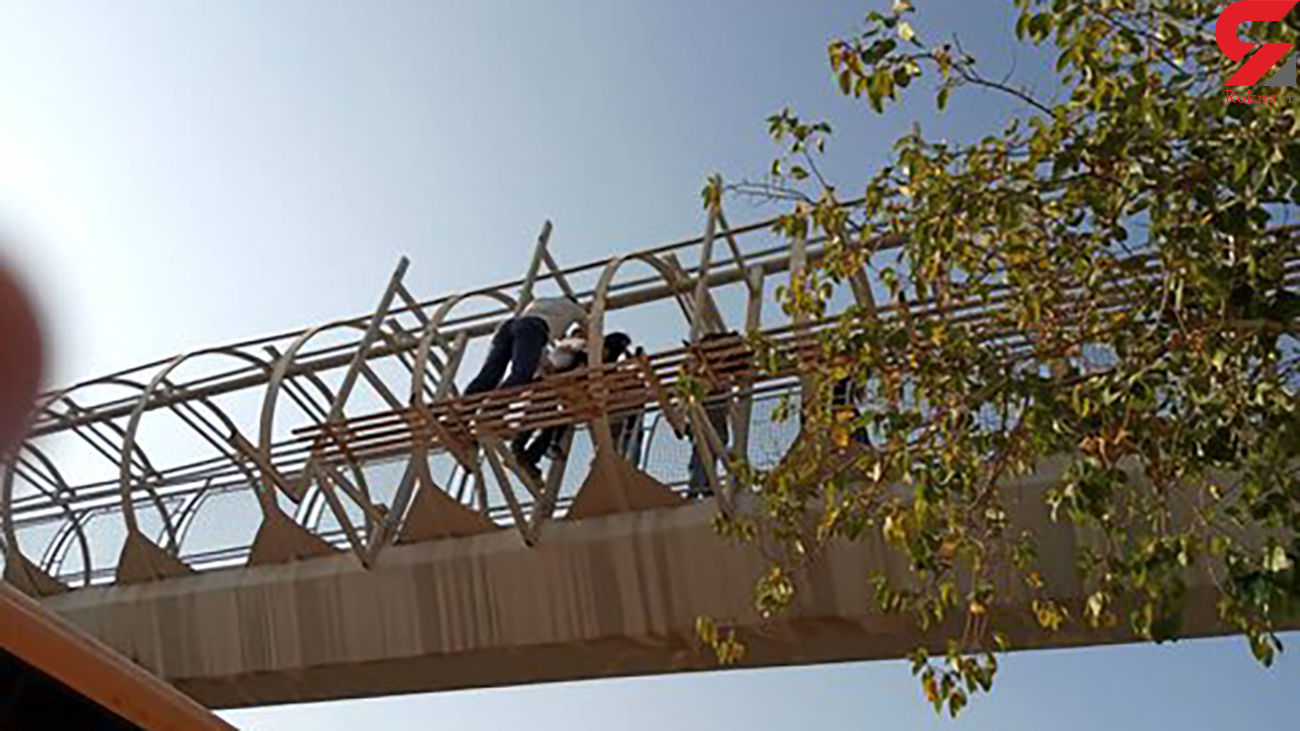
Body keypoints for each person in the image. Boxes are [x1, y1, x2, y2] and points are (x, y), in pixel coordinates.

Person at [511, 331, 633, 481]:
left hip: (561, 390)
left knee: (554, 421)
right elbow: (564, 369)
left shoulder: (599, 362)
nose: (605, 354)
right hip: (551, 385)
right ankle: (519, 448)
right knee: (540, 414)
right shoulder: (584, 352)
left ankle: (530, 457)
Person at [463, 295, 587, 397]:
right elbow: (590, 325)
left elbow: (535, 350)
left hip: (508, 325)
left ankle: (463, 407)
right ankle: (493, 407)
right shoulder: (574, 308)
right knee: (522, 374)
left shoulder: (542, 300)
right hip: (532, 328)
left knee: (490, 374)